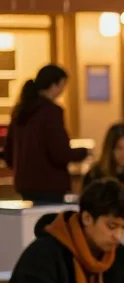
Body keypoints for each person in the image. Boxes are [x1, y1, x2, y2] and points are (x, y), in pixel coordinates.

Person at [3, 64, 88, 203]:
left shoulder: (21, 110)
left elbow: (9, 153)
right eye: (62, 85)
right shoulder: (51, 112)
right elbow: (59, 152)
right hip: (49, 183)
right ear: (54, 84)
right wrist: (83, 153)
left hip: (24, 183)